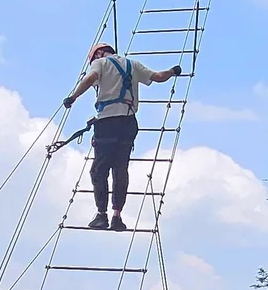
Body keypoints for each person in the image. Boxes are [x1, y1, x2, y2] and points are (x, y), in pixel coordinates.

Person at [62, 42, 181, 232]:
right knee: (120, 169)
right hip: (129, 123)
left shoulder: (100, 63)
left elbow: (89, 79)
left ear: (99, 53)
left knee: (99, 170)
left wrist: (72, 97)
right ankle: (117, 217)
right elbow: (159, 77)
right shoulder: (132, 64)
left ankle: (101, 215)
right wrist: (174, 70)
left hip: (107, 123)